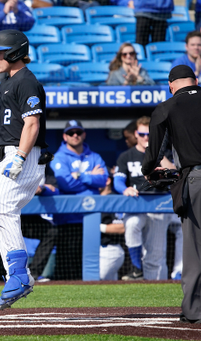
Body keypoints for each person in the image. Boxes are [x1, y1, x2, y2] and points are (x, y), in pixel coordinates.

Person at [0, 29, 47, 310]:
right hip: (9, 153)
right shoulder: (6, 83)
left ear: (13, 53)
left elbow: (31, 124)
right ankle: (17, 277)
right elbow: (9, 125)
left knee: (2, 211)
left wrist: (19, 156)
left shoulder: (26, 81)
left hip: (25, 154)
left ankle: (20, 275)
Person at [142, 65, 201, 323]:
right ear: (196, 81)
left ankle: (194, 311)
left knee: (195, 248)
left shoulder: (167, 106)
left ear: (171, 85)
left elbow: (153, 152)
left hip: (196, 178)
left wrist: (148, 170)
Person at [114, 116, 174, 280]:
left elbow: (175, 173)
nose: (145, 138)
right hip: (137, 204)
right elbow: (118, 180)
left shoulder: (165, 153)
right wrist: (124, 189)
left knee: (155, 255)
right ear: (136, 134)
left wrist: (157, 153)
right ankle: (137, 268)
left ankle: (155, 295)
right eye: (142, 134)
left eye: (149, 135)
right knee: (132, 225)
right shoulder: (126, 156)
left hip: (159, 205)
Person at [50, 120, 108, 280]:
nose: (75, 135)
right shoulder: (59, 157)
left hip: (92, 217)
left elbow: (103, 180)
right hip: (68, 219)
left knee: (90, 266)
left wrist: (80, 176)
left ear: (83, 134)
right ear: (64, 136)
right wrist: (91, 178)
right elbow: (65, 183)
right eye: (70, 132)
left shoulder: (94, 156)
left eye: (78, 132)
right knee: (67, 269)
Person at [21, 163, 59, 282]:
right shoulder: (16, 161)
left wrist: (43, 188)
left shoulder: (45, 166)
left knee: (52, 231)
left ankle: (33, 274)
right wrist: (30, 187)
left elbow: (55, 190)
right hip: (9, 214)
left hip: (29, 217)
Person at [99, 175, 125, 281]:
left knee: (97, 281)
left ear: (108, 180)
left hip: (110, 250)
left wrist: (96, 227)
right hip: (94, 251)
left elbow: (122, 227)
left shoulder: (115, 199)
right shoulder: (92, 197)